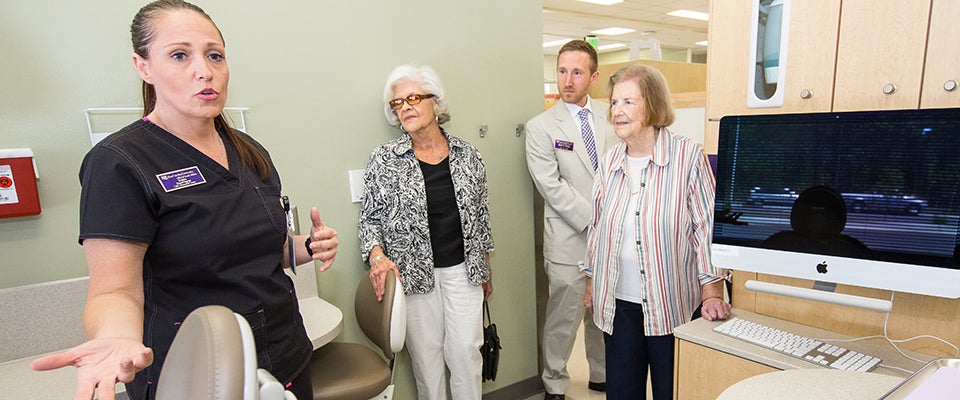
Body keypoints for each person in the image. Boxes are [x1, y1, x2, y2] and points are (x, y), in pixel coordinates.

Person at [29, 1, 339, 399]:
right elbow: (114, 291)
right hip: (195, 375)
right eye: (179, 55)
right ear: (143, 66)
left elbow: (261, 251)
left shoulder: (249, 152)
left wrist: (305, 247)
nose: (204, 71)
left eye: (215, 56)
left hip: (284, 357)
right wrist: (116, 337)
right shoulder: (119, 164)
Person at [583, 64, 731, 400]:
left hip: (671, 306)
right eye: (614, 103)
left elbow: (706, 227)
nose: (618, 111)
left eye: (629, 102)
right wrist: (591, 281)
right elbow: (597, 227)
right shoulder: (609, 162)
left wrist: (712, 292)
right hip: (618, 308)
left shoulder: (687, 156)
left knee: (672, 391)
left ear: (653, 104)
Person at [358, 64, 494, 400]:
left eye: (413, 98)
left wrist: (485, 267)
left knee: (466, 354)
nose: (405, 106)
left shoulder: (468, 155)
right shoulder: (384, 159)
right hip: (414, 277)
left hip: (465, 272)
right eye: (397, 103)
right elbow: (369, 221)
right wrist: (377, 258)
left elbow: (482, 216)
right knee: (427, 362)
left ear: (436, 101)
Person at [525, 39, 615, 400]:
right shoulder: (541, 127)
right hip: (570, 237)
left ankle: (601, 373)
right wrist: (598, 219)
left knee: (603, 312)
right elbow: (551, 186)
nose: (567, 80)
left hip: (610, 237)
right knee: (564, 317)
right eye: (562, 71)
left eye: (577, 72)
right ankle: (555, 383)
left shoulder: (613, 116)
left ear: (592, 76)